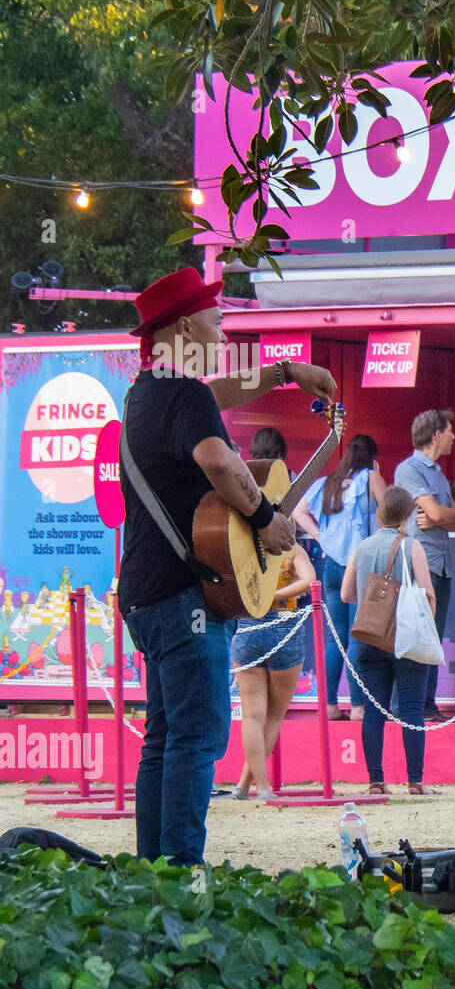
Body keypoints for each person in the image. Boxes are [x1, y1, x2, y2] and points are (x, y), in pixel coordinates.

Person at [118, 266, 335, 865]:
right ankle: (182, 876)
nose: (223, 324)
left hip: (147, 593)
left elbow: (219, 394)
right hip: (184, 596)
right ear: (186, 325)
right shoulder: (179, 396)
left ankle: (152, 875)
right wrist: (266, 518)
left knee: (164, 740)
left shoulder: (151, 392)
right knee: (198, 737)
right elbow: (218, 460)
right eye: (215, 316)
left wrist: (287, 373)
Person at [340, 486, 440, 795]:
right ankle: (415, 781)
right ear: (408, 516)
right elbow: (428, 595)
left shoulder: (362, 547)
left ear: (381, 513)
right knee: (410, 707)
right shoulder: (412, 547)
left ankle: (375, 780)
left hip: (370, 634)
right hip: (406, 636)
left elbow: (346, 595)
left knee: (373, 710)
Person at [293, 435, 385, 721]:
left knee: (334, 640)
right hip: (359, 566)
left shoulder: (327, 482)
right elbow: (392, 510)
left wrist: (322, 536)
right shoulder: (370, 477)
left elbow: (298, 511)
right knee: (357, 637)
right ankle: (358, 707)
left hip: (331, 565)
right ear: (372, 458)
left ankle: (330, 706)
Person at [229, 542, 316, 801]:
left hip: (247, 625)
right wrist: (277, 594)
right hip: (284, 624)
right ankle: (261, 787)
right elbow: (309, 581)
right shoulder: (292, 550)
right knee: (274, 716)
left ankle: (247, 785)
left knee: (252, 716)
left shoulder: (242, 547)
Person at [394, 410, 455, 722]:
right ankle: (405, 705)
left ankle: (426, 705)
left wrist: (446, 517)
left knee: (432, 637)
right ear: (436, 435)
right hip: (420, 564)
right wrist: (446, 515)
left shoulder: (438, 473)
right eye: (449, 431)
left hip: (442, 564)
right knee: (416, 634)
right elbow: (438, 513)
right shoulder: (408, 469)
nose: (454, 436)